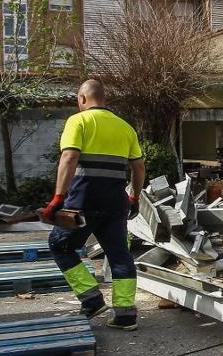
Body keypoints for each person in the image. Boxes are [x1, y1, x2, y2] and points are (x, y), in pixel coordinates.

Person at [39, 79, 145, 330]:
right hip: (116, 201)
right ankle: (125, 315)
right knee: (119, 255)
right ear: (104, 98)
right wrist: (135, 197)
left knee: (60, 246)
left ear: (82, 99)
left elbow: (70, 156)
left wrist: (58, 197)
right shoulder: (125, 127)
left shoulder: (78, 121)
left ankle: (91, 300)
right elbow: (138, 166)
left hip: (83, 200)